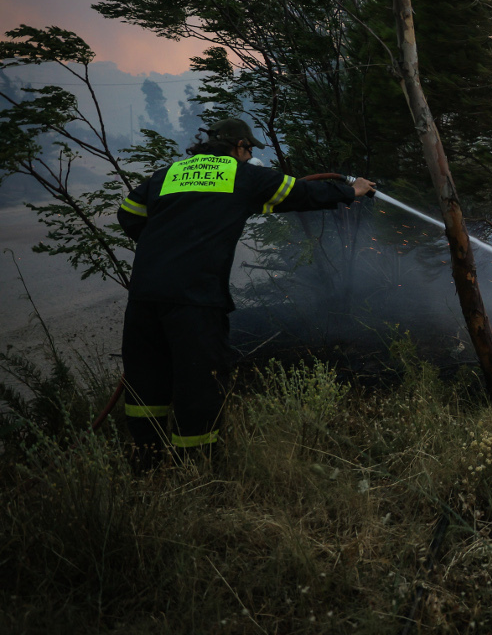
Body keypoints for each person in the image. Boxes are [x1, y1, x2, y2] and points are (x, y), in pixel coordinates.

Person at [116, 118, 375, 467]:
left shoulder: (167, 174)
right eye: (249, 149)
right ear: (239, 147)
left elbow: (128, 214)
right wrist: (353, 190)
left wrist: (168, 243)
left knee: (146, 380)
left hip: (145, 296)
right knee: (198, 383)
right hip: (195, 300)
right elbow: (303, 193)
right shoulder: (244, 175)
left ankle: (145, 462)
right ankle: (195, 469)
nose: (250, 154)